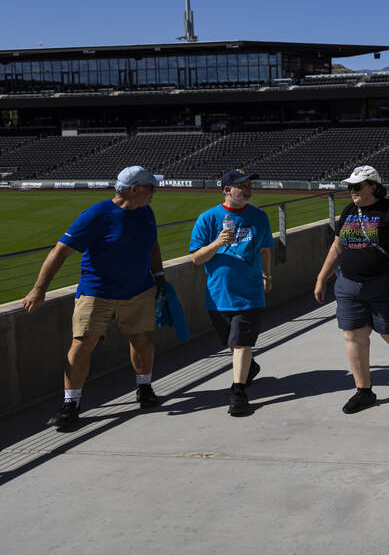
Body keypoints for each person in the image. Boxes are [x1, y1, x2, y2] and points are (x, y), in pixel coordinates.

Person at [22, 166, 167, 431]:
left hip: (139, 290)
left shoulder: (146, 212)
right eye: (150, 188)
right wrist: (38, 289)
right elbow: (60, 251)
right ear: (134, 190)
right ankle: (71, 404)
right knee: (82, 344)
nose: (154, 192)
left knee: (142, 340)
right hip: (97, 291)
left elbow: (152, 244)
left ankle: (144, 388)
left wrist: (159, 277)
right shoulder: (98, 215)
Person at [314, 166, 389, 414]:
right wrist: (322, 277)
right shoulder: (350, 211)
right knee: (353, 335)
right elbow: (337, 247)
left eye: (357, 186)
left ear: (373, 186)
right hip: (348, 284)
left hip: (382, 284)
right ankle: (364, 391)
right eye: (350, 186)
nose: (351, 191)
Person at [189, 169, 274, 417]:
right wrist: (217, 243)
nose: (248, 190)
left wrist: (267, 276)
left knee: (241, 342)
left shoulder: (259, 217)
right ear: (227, 190)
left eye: (249, 185)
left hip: (250, 293)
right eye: (241, 186)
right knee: (232, 342)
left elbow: (266, 249)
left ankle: (238, 392)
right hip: (218, 295)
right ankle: (249, 368)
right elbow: (196, 258)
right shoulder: (208, 218)